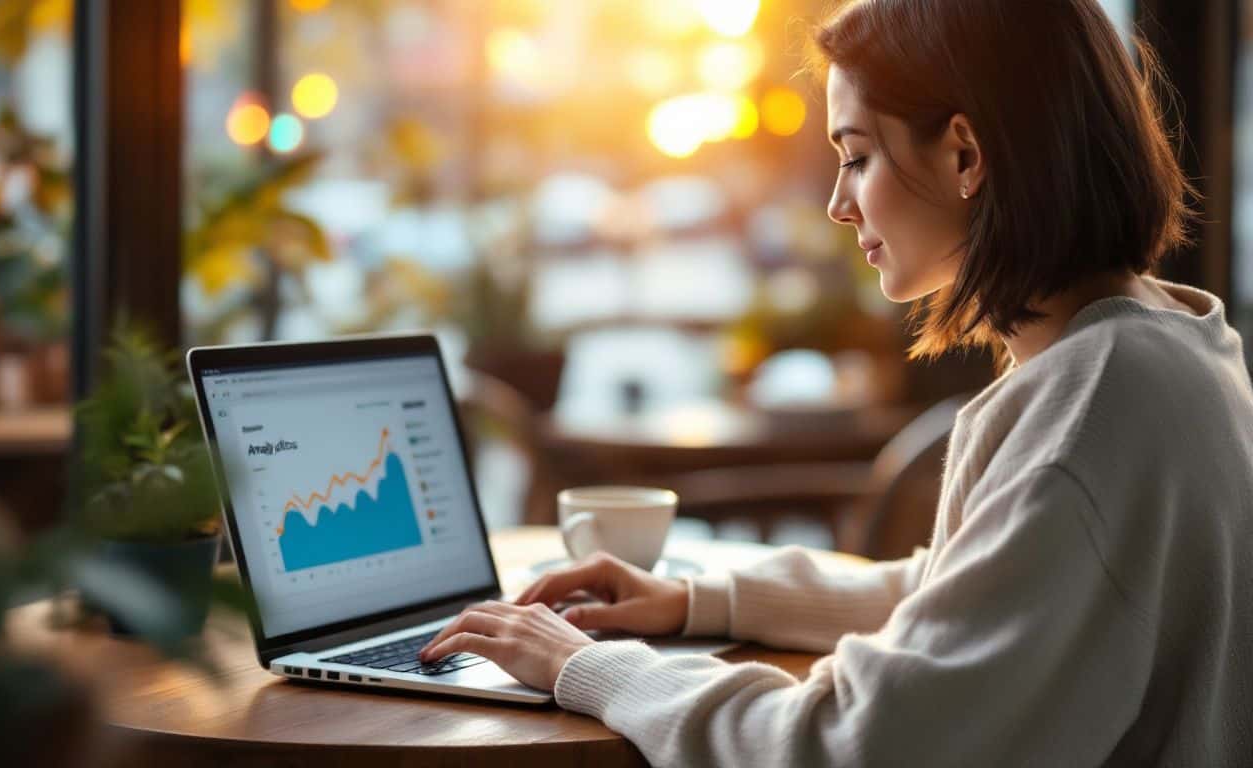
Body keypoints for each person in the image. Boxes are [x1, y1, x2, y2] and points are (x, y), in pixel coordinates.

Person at [419, 0, 1253, 764]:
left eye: (855, 157)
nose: (837, 205)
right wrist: (693, 600)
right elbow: (955, 592)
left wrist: (593, 668)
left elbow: (855, 744)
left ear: (966, 153)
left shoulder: (1091, 416)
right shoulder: (1167, 348)